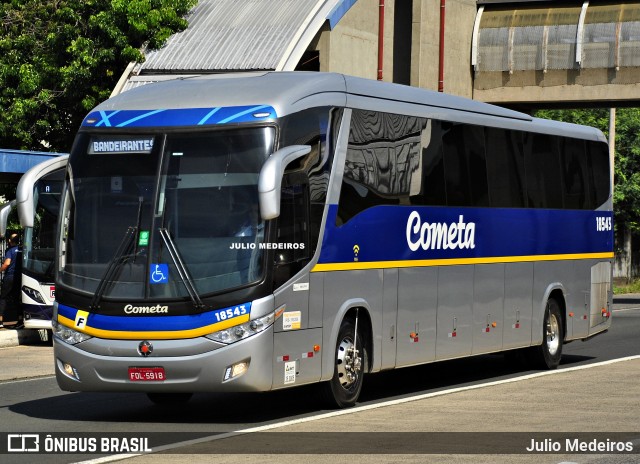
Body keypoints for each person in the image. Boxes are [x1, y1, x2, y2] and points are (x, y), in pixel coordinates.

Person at [0, 234, 20, 329]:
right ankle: (18, 320)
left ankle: (1, 320)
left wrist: (1, 269)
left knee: (3, 297)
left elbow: (7, 263)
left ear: (9, 240)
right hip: (19, 277)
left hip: (10, 276)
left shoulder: (10, 250)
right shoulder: (21, 250)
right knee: (16, 298)